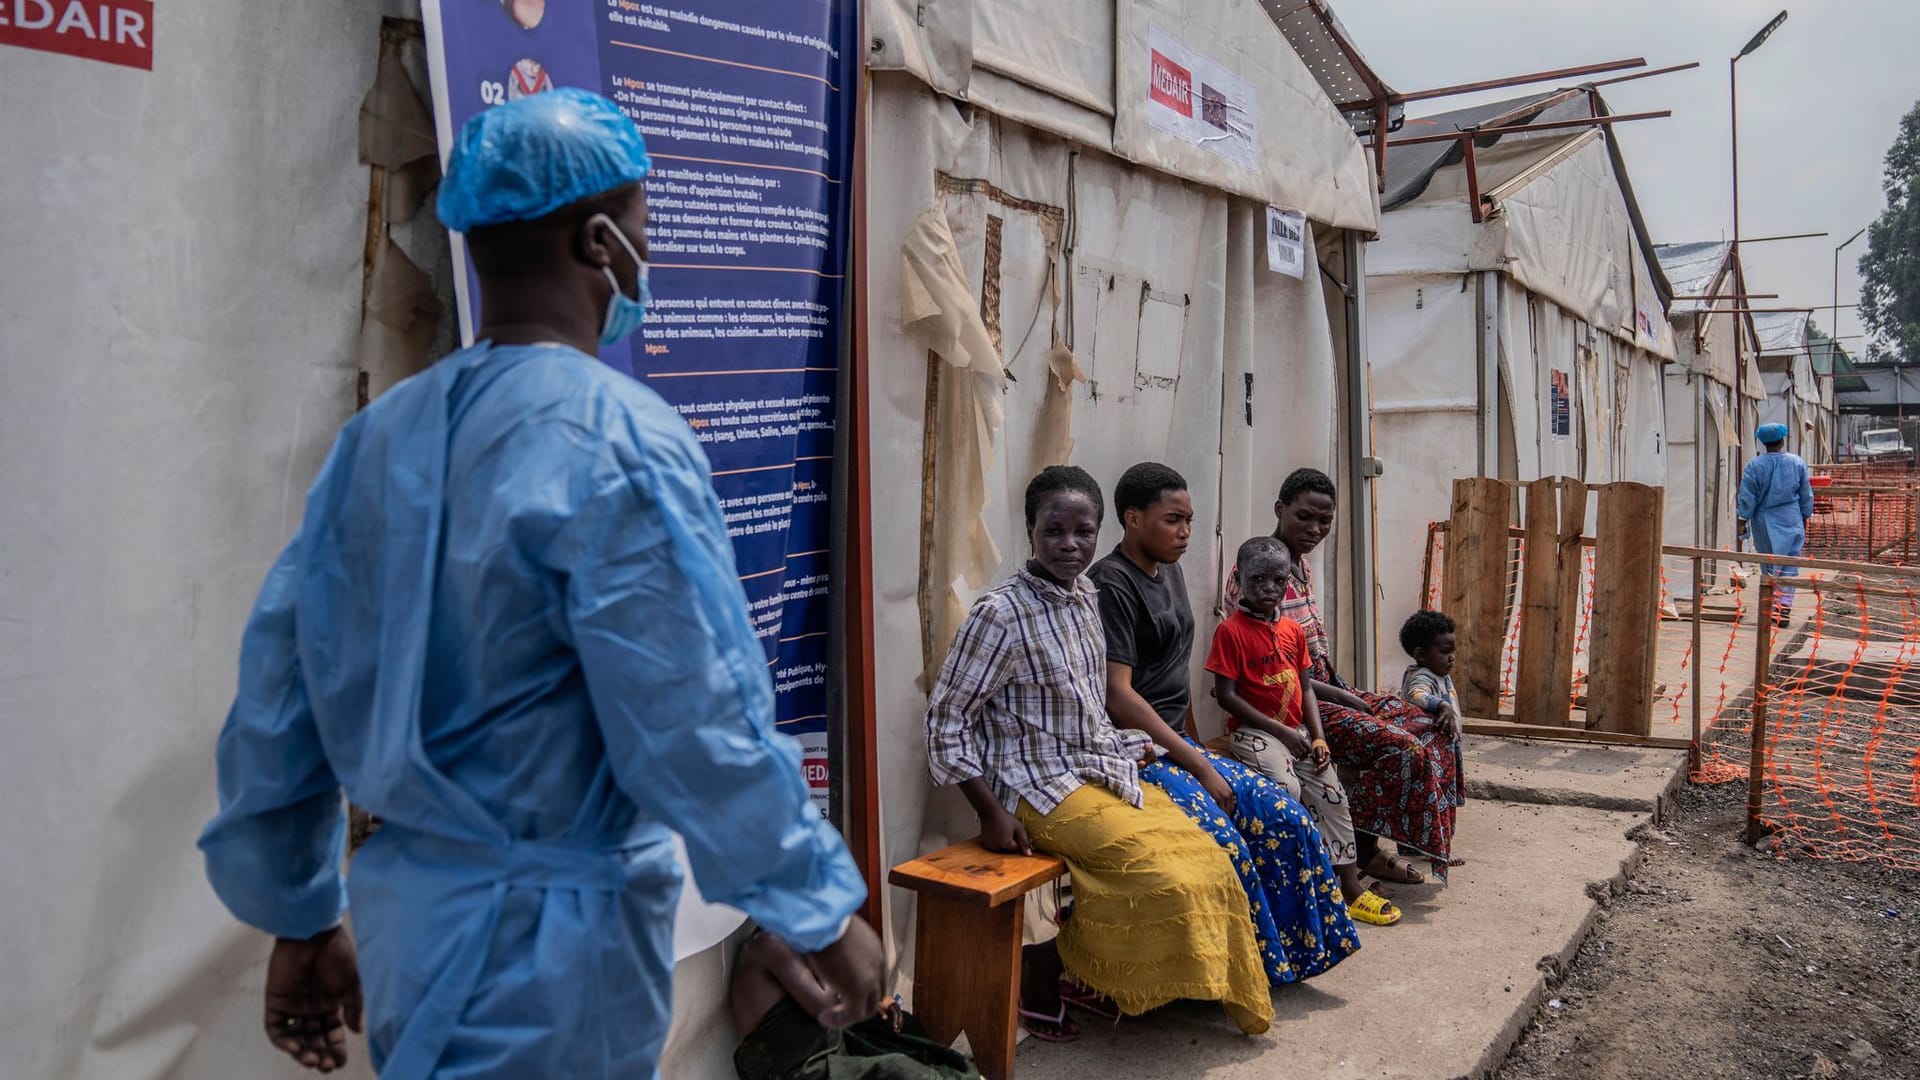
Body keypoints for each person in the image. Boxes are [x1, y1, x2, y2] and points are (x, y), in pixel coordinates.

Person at [197, 89, 882, 1079]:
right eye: (645, 223)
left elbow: (279, 697)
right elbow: (694, 720)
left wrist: (300, 914)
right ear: (602, 241)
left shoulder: (380, 439)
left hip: (410, 921)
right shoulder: (619, 442)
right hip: (555, 953)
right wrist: (814, 905)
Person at [924, 466, 1273, 1042]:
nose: (1070, 545)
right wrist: (990, 811)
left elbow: (1087, 706)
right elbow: (945, 720)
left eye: (1083, 532)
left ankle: (1090, 976)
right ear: (1030, 530)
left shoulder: (1086, 596)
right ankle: (1064, 974)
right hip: (1035, 788)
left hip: (1098, 768)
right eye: (1054, 531)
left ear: (1099, 531)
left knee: (1209, 857)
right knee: (1167, 879)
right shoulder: (1000, 613)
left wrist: (1139, 749)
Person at [1090, 463, 1360, 986]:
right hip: (1138, 752)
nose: (1186, 532)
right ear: (1132, 518)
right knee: (1230, 839)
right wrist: (1198, 762)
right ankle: (1236, 973)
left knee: (1289, 818)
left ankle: (1295, 955)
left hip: (1179, 743)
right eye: (1173, 520)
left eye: (1189, 520)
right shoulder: (1112, 585)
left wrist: (1196, 742)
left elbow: (1175, 675)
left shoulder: (1168, 568)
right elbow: (1118, 697)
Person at [1235, 467, 1462, 883]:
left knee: (1433, 725)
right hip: (1302, 704)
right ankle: (1363, 849)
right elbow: (1278, 669)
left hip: (1329, 687)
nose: (1315, 528)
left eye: (1325, 521)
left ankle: (1416, 840)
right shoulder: (1261, 574)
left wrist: (1347, 692)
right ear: (1280, 509)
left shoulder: (1297, 568)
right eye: (1304, 517)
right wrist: (1343, 698)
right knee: (1404, 746)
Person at [1210, 536, 1401, 927]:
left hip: (1296, 731)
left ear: (1287, 583)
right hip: (1254, 732)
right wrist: (1281, 731)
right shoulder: (1231, 632)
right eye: (1257, 579)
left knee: (1331, 794)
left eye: (1277, 580)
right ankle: (1303, 884)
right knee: (1288, 792)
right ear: (1239, 580)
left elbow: (1306, 686)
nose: (1268, 588)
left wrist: (1317, 737)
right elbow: (1225, 696)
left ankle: (1349, 889)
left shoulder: (1293, 631)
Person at [729, 931, 977, 1080]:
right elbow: (825, 1003)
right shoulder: (769, 944)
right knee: (898, 1070)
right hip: (793, 1071)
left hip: (826, 1045)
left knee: (907, 1032)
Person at [1738, 422, 1815, 627]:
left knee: (1769, 564)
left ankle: (1772, 606)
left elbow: (1747, 496)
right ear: (1782, 440)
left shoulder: (1754, 466)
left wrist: (1742, 520)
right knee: (1790, 565)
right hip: (1791, 518)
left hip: (1763, 521)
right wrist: (1806, 515)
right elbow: (1806, 494)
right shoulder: (1797, 463)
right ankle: (1784, 607)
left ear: (1763, 442)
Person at [1398, 610, 1466, 810]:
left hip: (1442, 751)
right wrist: (1441, 705)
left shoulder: (1440, 674)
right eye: (1445, 652)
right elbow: (1416, 694)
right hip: (1427, 754)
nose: (1452, 658)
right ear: (1420, 654)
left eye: (1453, 651)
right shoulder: (1422, 676)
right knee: (1424, 801)